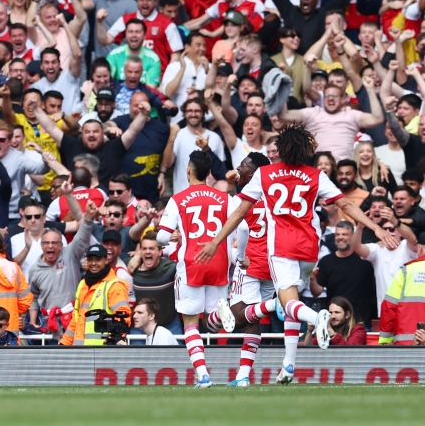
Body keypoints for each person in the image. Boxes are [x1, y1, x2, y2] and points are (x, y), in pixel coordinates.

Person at [201, 123, 392, 384]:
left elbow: (239, 213)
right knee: (292, 306)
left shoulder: (265, 174)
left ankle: (319, 320)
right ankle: (289, 365)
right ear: (305, 150)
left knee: (288, 303)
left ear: (282, 149)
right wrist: (375, 228)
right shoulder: (315, 175)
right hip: (309, 247)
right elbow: (346, 204)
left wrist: (216, 241)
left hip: (282, 247)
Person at [157, 151, 235, 388]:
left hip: (192, 264)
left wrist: (174, 238)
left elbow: (161, 237)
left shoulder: (178, 199)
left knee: (190, 322)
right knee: (213, 323)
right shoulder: (224, 198)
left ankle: (203, 375)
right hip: (219, 261)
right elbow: (238, 228)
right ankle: (221, 311)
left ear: (188, 171)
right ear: (210, 173)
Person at [225, 152, 279, 387]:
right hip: (273, 264)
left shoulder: (242, 199)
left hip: (250, 263)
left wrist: (239, 257)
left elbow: (244, 230)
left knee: (238, 316)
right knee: (253, 318)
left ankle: (277, 305)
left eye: (244, 165)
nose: (239, 168)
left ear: (255, 172)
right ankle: (243, 376)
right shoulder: (275, 198)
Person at [59, 244, 131, 346]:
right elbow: (76, 318)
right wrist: (65, 343)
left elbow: (123, 316)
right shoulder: (83, 284)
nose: (93, 263)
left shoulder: (115, 285)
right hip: (81, 350)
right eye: (90, 259)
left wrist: (116, 339)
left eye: (98, 259)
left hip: (104, 351)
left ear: (106, 260)